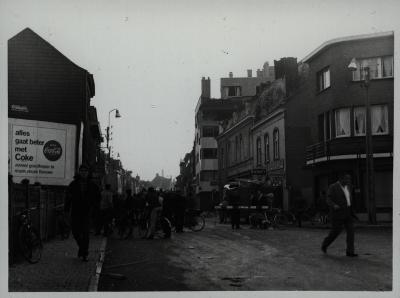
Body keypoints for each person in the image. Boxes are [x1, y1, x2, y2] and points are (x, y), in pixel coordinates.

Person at [65, 164, 101, 261]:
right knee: (75, 232)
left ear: (88, 173)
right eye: (82, 171)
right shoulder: (73, 184)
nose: (84, 173)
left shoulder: (93, 185)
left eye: (85, 171)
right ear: (79, 172)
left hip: (87, 212)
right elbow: (68, 198)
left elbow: (98, 198)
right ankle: (82, 248)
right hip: (76, 211)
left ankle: (84, 253)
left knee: (85, 233)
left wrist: (94, 209)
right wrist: (66, 210)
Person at [321, 173, 358, 257]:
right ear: (341, 179)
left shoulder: (349, 187)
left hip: (348, 213)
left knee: (351, 232)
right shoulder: (333, 187)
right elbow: (328, 198)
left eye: (349, 179)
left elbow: (350, 198)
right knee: (335, 232)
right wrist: (334, 205)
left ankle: (350, 252)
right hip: (337, 213)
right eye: (347, 179)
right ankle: (325, 244)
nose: (349, 181)